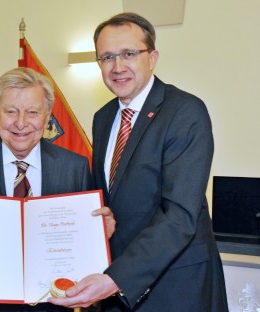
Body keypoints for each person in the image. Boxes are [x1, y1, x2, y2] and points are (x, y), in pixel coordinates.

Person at [48, 12, 229, 312]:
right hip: (119, 290)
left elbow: (179, 216)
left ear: (153, 57)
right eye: (106, 57)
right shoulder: (103, 118)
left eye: (129, 54)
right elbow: (113, 200)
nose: (117, 67)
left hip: (176, 288)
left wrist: (116, 278)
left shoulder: (185, 112)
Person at [0, 67, 115, 312]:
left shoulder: (74, 167)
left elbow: (82, 248)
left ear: (47, 117)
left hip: (50, 306)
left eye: (32, 112)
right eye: (11, 111)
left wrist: (97, 235)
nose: (21, 123)